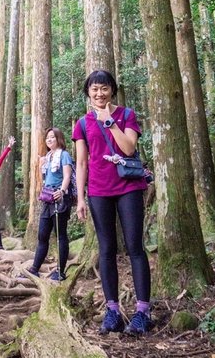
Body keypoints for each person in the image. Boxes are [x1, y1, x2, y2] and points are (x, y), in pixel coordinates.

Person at [73, 69, 152, 335]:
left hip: (128, 187)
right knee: (106, 250)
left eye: (104, 88)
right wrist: (80, 198)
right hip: (98, 191)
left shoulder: (126, 115)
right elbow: (82, 162)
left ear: (112, 90)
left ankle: (142, 311)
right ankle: (112, 311)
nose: (99, 93)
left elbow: (129, 148)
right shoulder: (82, 123)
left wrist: (110, 122)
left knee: (134, 247)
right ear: (88, 92)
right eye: (94, 89)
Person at [25, 127, 73, 282]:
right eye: (47, 138)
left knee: (60, 235)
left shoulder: (64, 155)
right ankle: (34, 269)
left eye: (52, 137)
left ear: (59, 139)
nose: (49, 140)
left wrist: (63, 191)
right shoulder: (48, 156)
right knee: (42, 235)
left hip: (59, 197)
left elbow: (67, 175)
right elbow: (46, 177)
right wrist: (41, 166)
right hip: (47, 197)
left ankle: (60, 271)